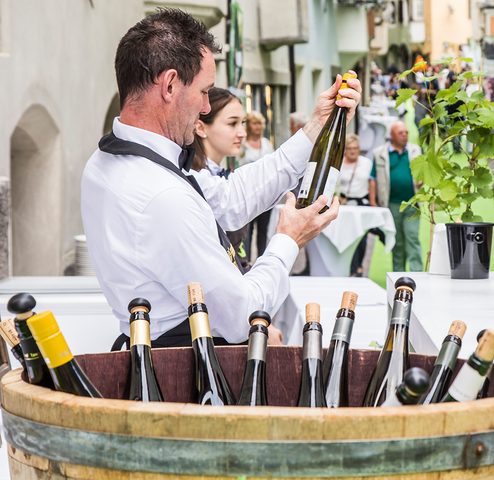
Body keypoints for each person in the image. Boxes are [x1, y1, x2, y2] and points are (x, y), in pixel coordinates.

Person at [81, 8, 360, 348]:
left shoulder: (109, 161)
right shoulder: (161, 197)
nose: (204, 107)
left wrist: (315, 127)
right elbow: (241, 316)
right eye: (204, 92)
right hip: (190, 366)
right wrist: (289, 239)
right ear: (170, 85)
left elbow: (229, 199)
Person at [189, 87, 249, 271]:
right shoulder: (195, 180)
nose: (242, 133)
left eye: (242, 123)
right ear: (200, 128)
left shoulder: (218, 173)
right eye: (232, 123)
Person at [369, 121, 423, 272]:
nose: (405, 135)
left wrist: (422, 180)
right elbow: (373, 178)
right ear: (391, 135)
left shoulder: (416, 150)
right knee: (397, 241)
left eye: (406, 132)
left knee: (412, 238)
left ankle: (417, 273)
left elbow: (423, 172)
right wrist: (373, 202)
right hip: (391, 204)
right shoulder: (380, 153)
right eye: (400, 133)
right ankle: (398, 275)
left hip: (412, 204)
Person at [239, 111, 275, 259]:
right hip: (247, 192)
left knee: (263, 228)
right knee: (247, 230)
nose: (258, 126)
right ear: (248, 125)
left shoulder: (266, 143)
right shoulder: (241, 144)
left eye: (260, 123)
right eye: (254, 123)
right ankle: (246, 260)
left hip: (265, 192)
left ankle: (261, 259)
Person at [338, 134, 374, 277]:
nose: (353, 151)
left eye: (356, 148)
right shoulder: (339, 163)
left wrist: (373, 201)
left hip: (362, 203)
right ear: (345, 149)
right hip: (345, 204)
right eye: (350, 148)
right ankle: (350, 267)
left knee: (362, 237)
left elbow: (372, 182)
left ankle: (358, 267)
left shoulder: (366, 163)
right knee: (348, 236)